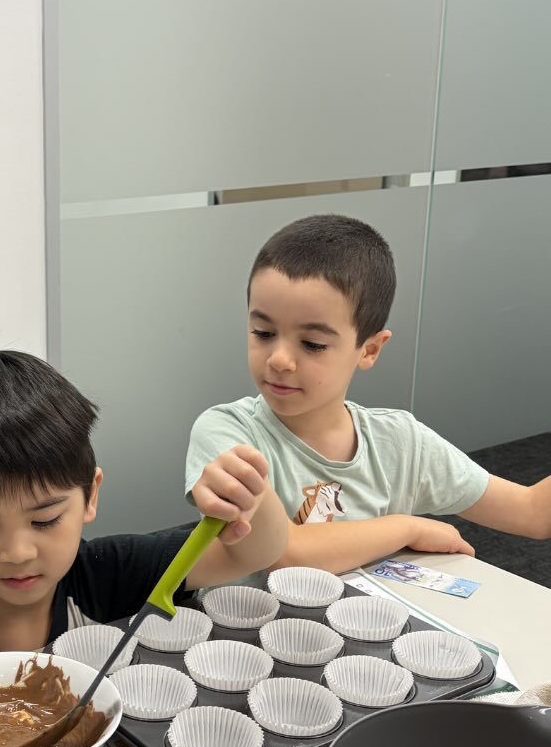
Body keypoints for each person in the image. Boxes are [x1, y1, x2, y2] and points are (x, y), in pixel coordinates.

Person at [0, 350, 288, 695]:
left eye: (46, 519)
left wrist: (251, 494)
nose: (18, 553)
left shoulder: (107, 574)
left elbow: (257, 553)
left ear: (91, 495)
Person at [184, 214, 550, 574]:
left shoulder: (401, 443)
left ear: (370, 349)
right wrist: (407, 527)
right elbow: (279, 554)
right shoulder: (229, 433)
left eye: (312, 344)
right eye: (262, 332)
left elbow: (532, 511)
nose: (279, 359)